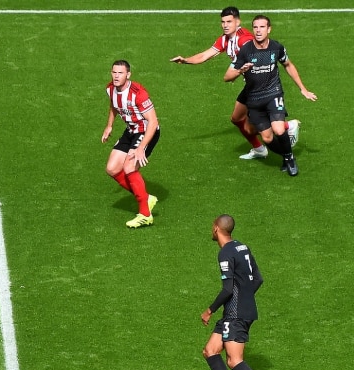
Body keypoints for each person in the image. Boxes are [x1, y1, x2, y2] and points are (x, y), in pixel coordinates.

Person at [170, 6, 300, 160]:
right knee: (238, 119)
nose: (225, 25)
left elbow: (235, 71)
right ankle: (260, 148)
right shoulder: (226, 39)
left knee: (255, 124)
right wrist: (186, 60)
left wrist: (236, 73)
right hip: (251, 85)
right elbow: (205, 55)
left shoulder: (244, 41)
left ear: (238, 22)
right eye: (223, 22)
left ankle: (287, 127)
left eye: (229, 22)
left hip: (260, 87)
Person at [200, 214, 276, 370]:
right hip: (238, 311)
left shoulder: (225, 253)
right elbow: (258, 278)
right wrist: (245, 298)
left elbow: (226, 289)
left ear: (216, 228)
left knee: (234, 360)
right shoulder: (242, 247)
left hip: (235, 313)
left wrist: (209, 309)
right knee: (210, 350)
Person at [224, 15, 317, 176]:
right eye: (255, 27)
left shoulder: (276, 48)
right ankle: (286, 154)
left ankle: (289, 158)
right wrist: (240, 71)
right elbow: (227, 77)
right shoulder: (246, 50)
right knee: (267, 138)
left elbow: (288, 64)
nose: (258, 30)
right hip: (253, 99)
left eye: (262, 27)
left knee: (279, 130)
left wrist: (303, 88)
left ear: (269, 29)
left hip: (273, 93)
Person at [101, 60, 160, 229]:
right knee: (112, 169)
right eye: (114, 72)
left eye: (120, 73)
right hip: (131, 130)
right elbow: (113, 105)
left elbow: (153, 121)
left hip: (147, 131)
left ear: (128, 75)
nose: (116, 76)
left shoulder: (138, 93)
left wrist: (141, 148)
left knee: (129, 167)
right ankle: (145, 198)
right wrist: (109, 125)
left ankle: (145, 215)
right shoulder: (110, 89)